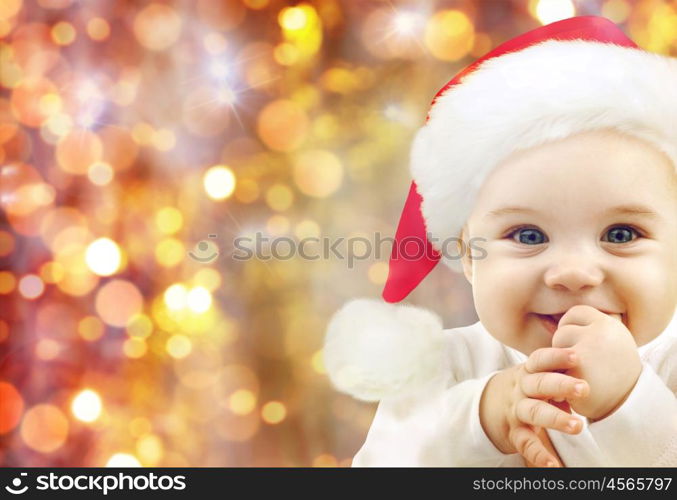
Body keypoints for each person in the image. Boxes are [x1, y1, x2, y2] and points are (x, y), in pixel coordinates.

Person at [323, 16, 677, 467]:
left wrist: (627, 403)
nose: (573, 272)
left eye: (621, 234)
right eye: (529, 235)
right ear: (469, 255)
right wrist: (484, 418)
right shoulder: (443, 367)